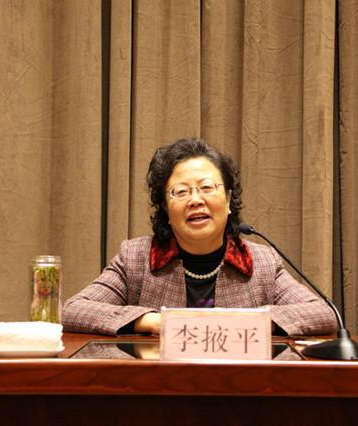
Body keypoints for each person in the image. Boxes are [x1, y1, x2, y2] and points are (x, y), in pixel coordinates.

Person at [62, 138, 337, 336]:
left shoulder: (262, 262)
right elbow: (74, 310)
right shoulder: (135, 258)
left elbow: (323, 313)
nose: (195, 200)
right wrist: (151, 321)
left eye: (207, 188)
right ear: (165, 208)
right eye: (181, 192)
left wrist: (248, 323)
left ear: (228, 200)